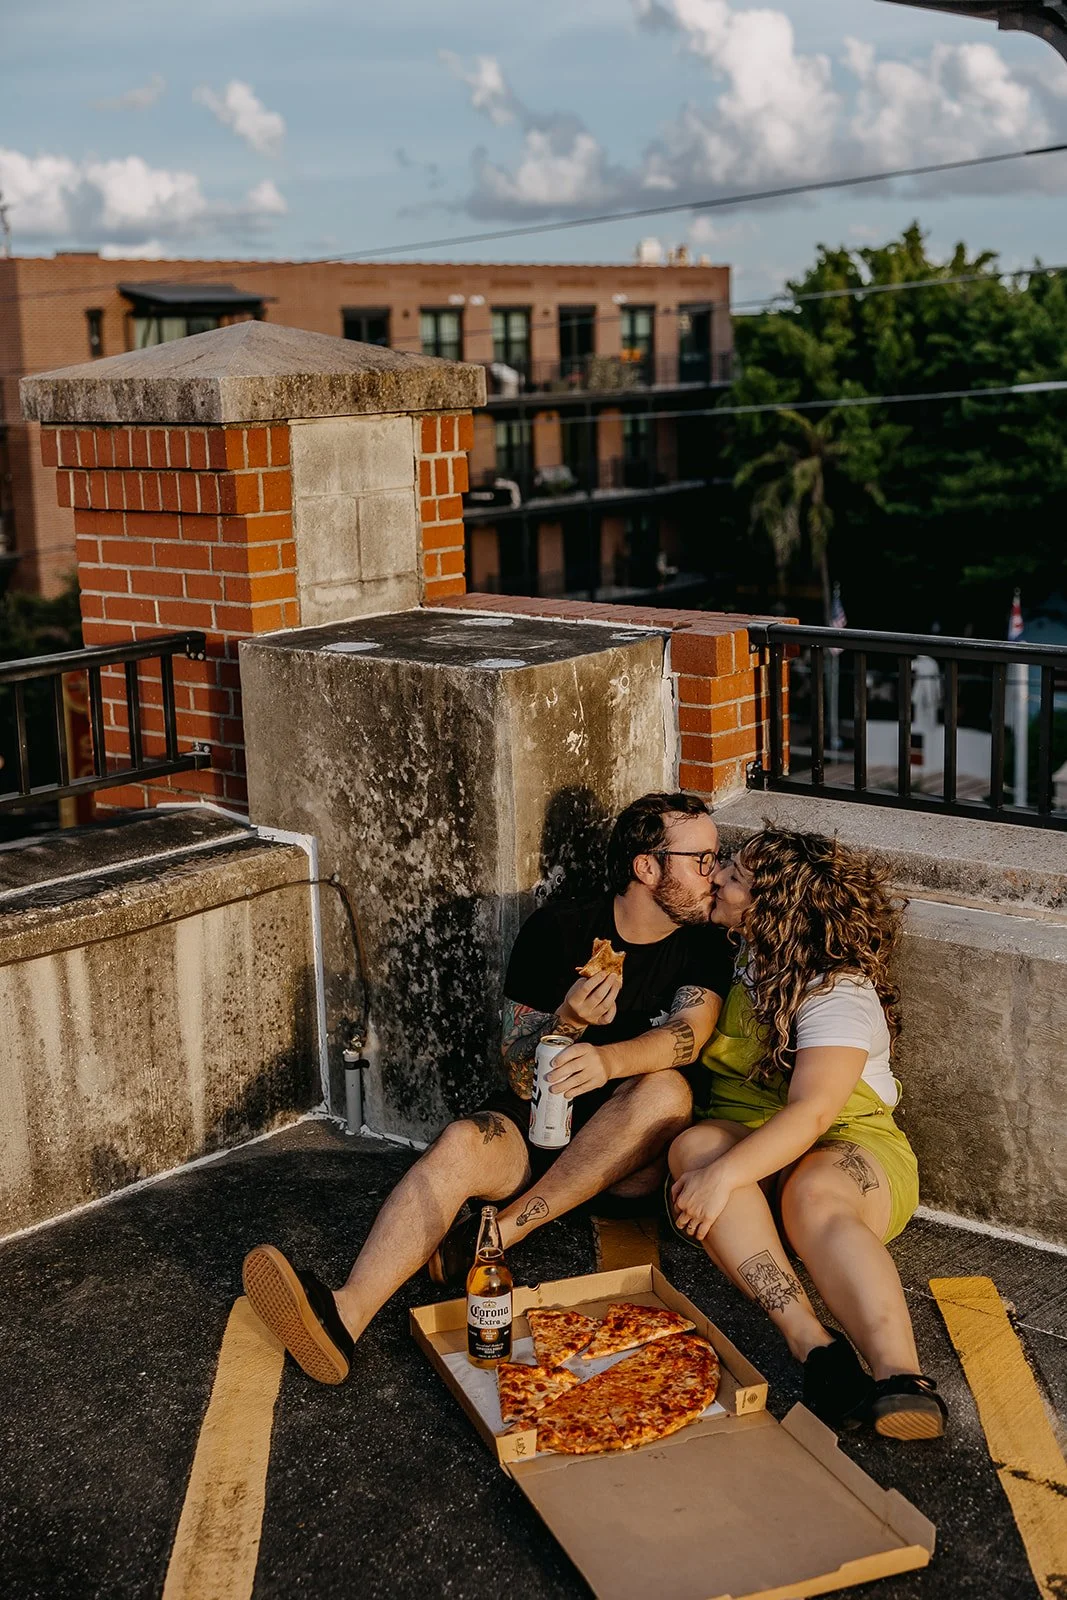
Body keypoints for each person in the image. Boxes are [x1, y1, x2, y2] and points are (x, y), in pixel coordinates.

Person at [243, 792, 735, 1385]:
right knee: (458, 1142)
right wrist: (567, 1025)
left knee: (668, 1093)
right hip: (542, 1127)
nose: (714, 873)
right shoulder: (559, 930)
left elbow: (690, 1034)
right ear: (647, 867)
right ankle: (344, 1316)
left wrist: (605, 1062)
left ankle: (497, 1234)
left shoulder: (704, 943)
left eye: (715, 859)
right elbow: (519, 1073)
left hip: (626, 1157)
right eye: (702, 859)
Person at [668, 827, 948, 1441]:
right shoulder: (738, 954)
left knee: (813, 1190)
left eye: (734, 877)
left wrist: (723, 1178)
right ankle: (814, 1347)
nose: (716, 878)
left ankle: (902, 1378)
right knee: (694, 1148)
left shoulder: (836, 989)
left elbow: (815, 1113)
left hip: (849, 1146)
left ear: (775, 907)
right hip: (753, 1141)